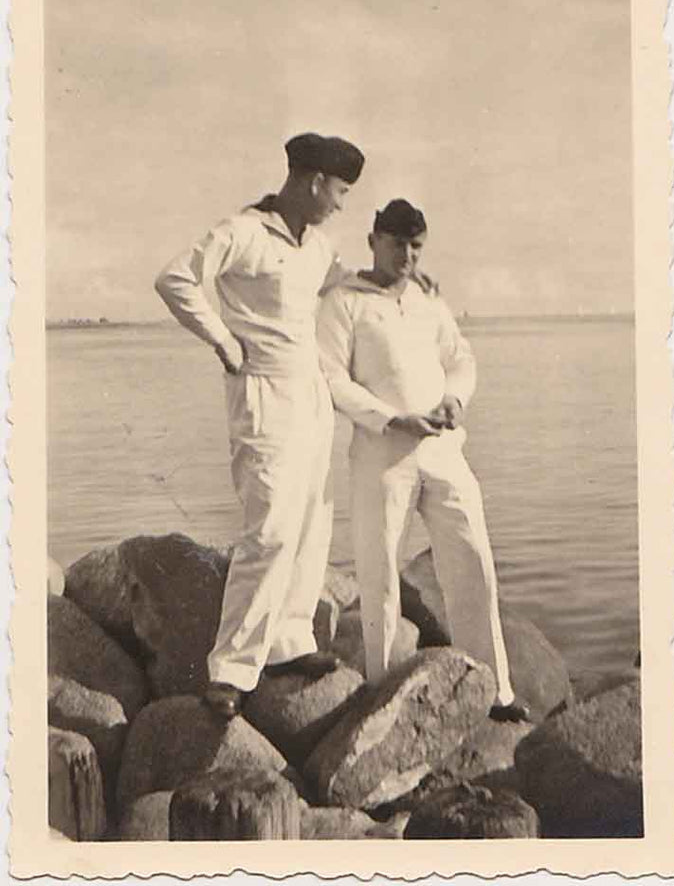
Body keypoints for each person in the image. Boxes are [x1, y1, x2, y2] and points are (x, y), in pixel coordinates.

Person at [154, 132, 365, 719]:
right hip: (263, 394)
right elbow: (175, 279)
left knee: (309, 526)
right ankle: (230, 668)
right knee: (268, 528)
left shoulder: (316, 245)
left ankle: (289, 640)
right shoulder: (243, 231)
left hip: (312, 397)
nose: (342, 204)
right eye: (340, 191)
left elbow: (334, 280)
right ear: (314, 180)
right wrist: (222, 340)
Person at [316, 199, 529, 721]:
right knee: (380, 572)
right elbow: (331, 379)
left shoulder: (429, 301)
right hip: (382, 457)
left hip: (443, 452)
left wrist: (455, 399)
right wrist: (391, 419)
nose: (406, 255)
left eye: (416, 246)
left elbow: (461, 360)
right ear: (373, 241)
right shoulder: (344, 303)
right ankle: (384, 690)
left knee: (473, 561)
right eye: (396, 243)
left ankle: (495, 692)